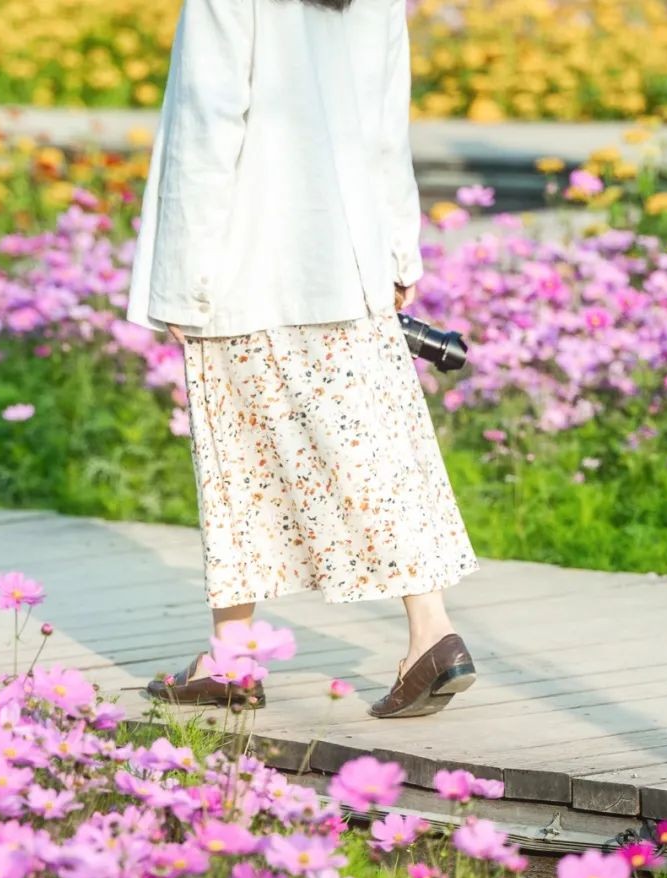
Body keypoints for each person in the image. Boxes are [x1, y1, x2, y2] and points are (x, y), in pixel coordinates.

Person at [127, 0, 479, 719]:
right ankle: (402, 633)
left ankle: (415, 635)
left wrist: (181, 279)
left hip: (245, 259)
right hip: (346, 259)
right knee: (367, 445)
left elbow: (208, 123)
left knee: (237, 456)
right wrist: (397, 248)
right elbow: (388, 123)